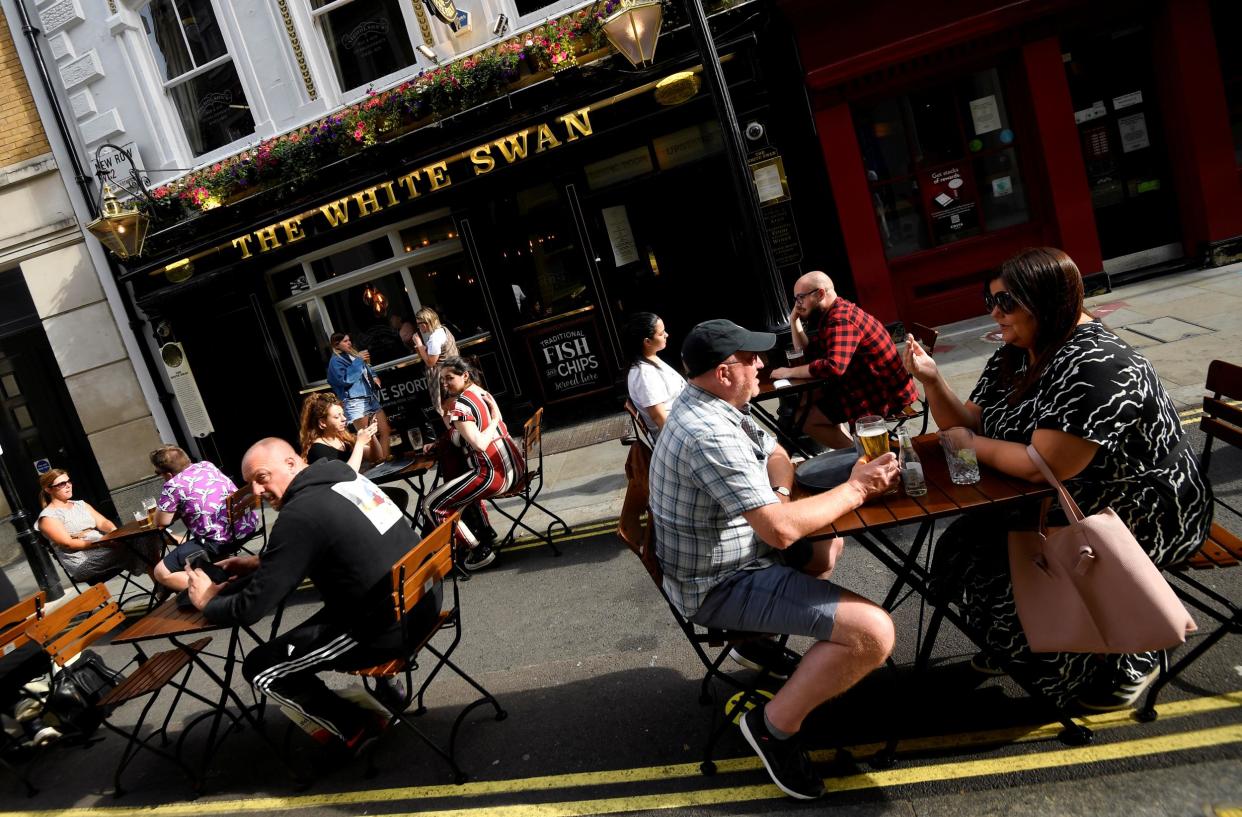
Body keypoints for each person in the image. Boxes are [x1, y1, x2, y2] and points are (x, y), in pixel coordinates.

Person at [902, 247, 1213, 711]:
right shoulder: (1020, 352)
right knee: (968, 543)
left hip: (1143, 511)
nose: (995, 313)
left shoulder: (1096, 364)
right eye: (991, 300)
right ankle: (1029, 646)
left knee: (1003, 565)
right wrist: (931, 380)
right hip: (1075, 499)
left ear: (1047, 301)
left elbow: (1041, 464)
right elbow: (969, 420)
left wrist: (969, 443)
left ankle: (1125, 656)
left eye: (1007, 302)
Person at [649, 319, 899, 800]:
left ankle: (756, 641)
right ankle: (771, 727)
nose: (762, 364)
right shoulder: (707, 432)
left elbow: (776, 452)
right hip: (719, 583)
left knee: (827, 544)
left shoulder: (713, 402)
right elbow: (780, 531)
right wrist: (858, 488)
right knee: (874, 633)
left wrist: (781, 493)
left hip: (736, 556)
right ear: (725, 372)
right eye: (751, 358)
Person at [186, 438, 442, 754]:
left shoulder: (299, 514)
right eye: (250, 484)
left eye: (262, 478)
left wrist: (207, 601)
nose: (256, 492)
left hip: (385, 627)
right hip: (424, 599)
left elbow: (251, 607)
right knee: (295, 644)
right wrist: (260, 561)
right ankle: (373, 704)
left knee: (261, 668)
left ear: (292, 463)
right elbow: (331, 537)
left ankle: (359, 728)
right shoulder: (342, 475)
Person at [769, 271, 918, 449]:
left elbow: (833, 366)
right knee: (802, 406)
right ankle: (858, 453)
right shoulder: (833, 314)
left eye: (800, 298)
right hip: (860, 385)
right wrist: (794, 321)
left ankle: (861, 455)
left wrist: (789, 372)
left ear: (820, 294)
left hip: (882, 394)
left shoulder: (841, 319)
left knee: (805, 417)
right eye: (795, 299)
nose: (797, 304)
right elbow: (807, 351)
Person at [421, 357, 520, 572]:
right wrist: (494, 418)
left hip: (494, 475)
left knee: (431, 505)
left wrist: (493, 420)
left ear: (465, 375)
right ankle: (484, 534)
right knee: (459, 489)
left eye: (449, 378)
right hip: (515, 468)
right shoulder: (482, 393)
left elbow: (480, 444)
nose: (445, 384)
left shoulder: (460, 407)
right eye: (443, 380)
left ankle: (478, 550)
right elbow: (493, 423)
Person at [149, 446, 259, 592]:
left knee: (161, 572)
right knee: (193, 547)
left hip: (219, 542)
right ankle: (219, 577)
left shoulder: (173, 485)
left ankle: (217, 591)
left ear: (168, 474)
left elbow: (161, 521)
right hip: (247, 527)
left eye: (159, 473)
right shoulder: (207, 465)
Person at [34, 469, 159, 585]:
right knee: (144, 542)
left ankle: (163, 583)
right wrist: (102, 543)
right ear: (48, 489)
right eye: (61, 484)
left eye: (68, 481)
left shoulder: (80, 504)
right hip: (82, 561)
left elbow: (103, 523)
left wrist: (116, 534)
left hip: (104, 547)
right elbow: (68, 544)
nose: (68, 485)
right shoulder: (48, 517)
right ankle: (163, 582)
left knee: (146, 538)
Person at [326, 332, 391, 462]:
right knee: (366, 437)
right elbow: (346, 379)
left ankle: (384, 459)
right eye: (345, 341)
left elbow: (366, 368)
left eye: (349, 340)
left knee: (385, 429)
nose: (349, 343)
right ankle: (376, 465)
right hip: (354, 401)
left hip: (369, 397)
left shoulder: (353, 355)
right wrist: (359, 360)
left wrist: (373, 376)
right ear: (336, 345)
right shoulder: (335, 361)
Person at [624, 312, 686, 439]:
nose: (666, 335)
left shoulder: (651, 359)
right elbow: (660, 418)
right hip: (677, 434)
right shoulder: (644, 374)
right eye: (661, 333)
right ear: (647, 341)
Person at [298, 392, 379, 471]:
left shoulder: (343, 438)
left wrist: (372, 435)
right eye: (337, 417)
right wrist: (360, 443)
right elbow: (347, 475)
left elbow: (377, 457)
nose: (344, 419)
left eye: (343, 414)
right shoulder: (318, 450)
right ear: (322, 423)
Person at [408, 307, 459, 418]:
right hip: (455, 372)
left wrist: (420, 345)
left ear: (426, 322)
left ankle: (455, 433)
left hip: (444, 377)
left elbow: (430, 362)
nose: (418, 327)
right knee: (457, 406)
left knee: (445, 410)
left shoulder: (434, 338)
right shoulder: (444, 330)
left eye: (419, 324)